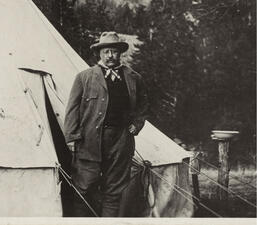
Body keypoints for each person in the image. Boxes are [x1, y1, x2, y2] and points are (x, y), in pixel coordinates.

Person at [64, 31, 149, 217]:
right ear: (100, 53)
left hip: (120, 141)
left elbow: (143, 107)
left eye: (114, 51)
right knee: (84, 187)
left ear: (120, 53)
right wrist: (72, 138)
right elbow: (72, 110)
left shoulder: (134, 78)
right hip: (90, 141)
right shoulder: (84, 77)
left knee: (114, 190)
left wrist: (137, 124)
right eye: (106, 52)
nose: (110, 56)